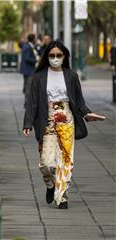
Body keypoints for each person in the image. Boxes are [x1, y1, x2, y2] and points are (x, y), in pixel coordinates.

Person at [23, 40, 106, 209]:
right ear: (47, 57)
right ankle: (50, 185)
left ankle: (62, 197)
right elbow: (31, 102)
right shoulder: (38, 77)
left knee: (66, 158)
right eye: (52, 55)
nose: (55, 58)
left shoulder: (71, 76)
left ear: (65, 56)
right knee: (46, 163)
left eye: (58, 55)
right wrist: (28, 123)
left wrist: (87, 113)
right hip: (46, 119)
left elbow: (79, 101)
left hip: (67, 118)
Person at [19, 33, 37, 105]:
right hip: (28, 70)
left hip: (27, 70)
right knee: (28, 87)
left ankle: (27, 102)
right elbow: (27, 58)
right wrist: (36, 60)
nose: (36, 40)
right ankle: (27, 103)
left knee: (27, 86)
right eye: (35, 38)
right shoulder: (28, 47)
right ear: (33, 39)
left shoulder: (27, 46)